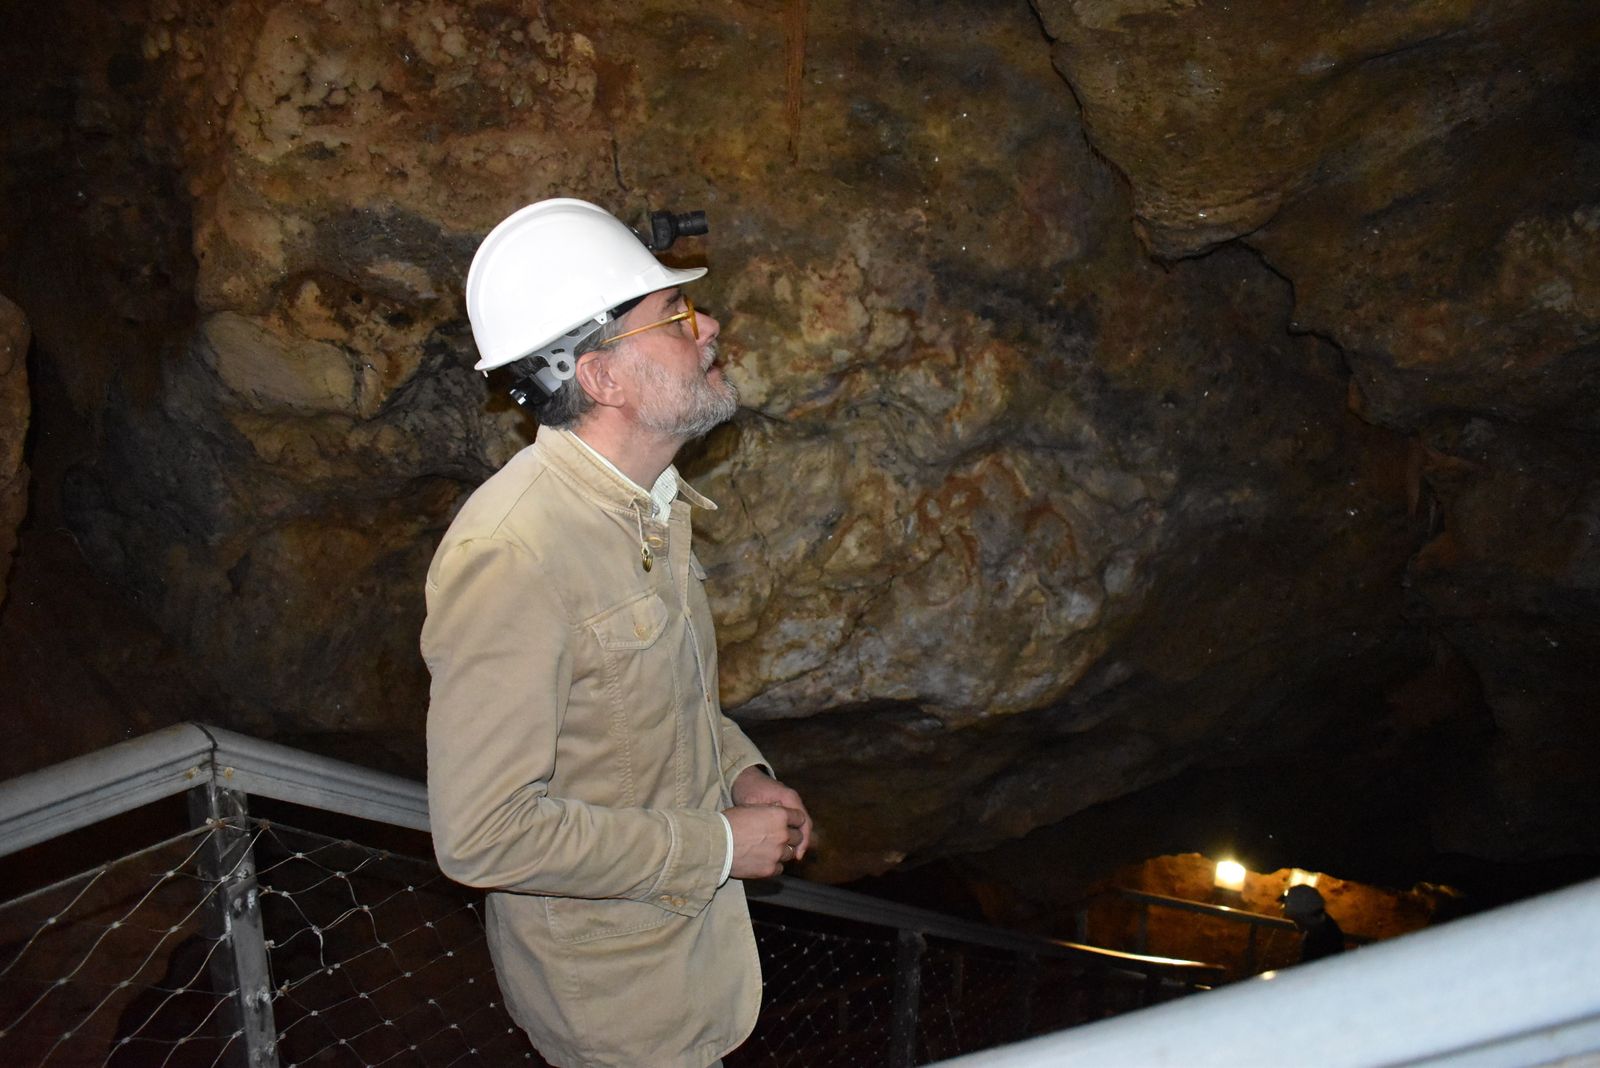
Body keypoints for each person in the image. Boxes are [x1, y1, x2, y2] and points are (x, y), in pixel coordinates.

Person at [422, 197, 812, 1068]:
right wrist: (717, 847)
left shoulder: (647, 506)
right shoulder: (515, 553)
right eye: (673, 317)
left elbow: (652, 698)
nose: (707, 325)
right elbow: (484, 835)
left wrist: (740, 771)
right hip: (615, 1006)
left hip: (684, 961)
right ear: (602, 378)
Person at [1280, 884, 1345, 963]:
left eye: (1296, 919)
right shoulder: (1324, 928)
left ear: (1303, 918)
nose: (1295, 922)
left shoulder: (1322, 944)